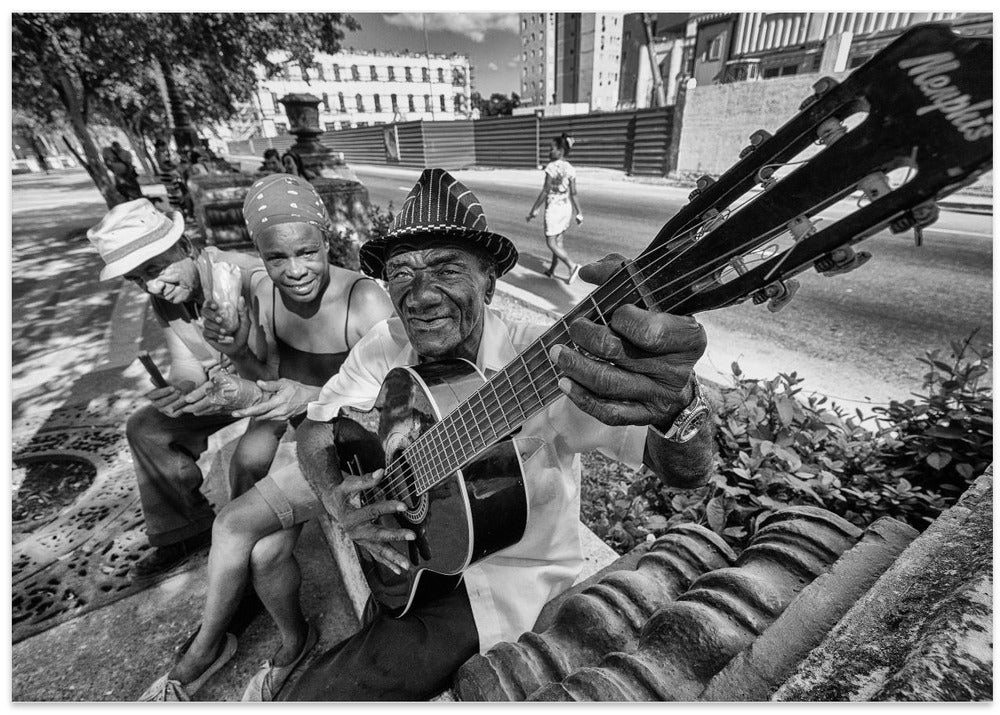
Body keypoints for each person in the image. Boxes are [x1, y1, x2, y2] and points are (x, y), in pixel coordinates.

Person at [280, 168, 715, 700]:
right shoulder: (384, 344)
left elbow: (686, 471)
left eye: (446, 268)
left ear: (489, 280)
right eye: (401, 273)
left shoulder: (548, 363)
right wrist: (335, 497)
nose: (420, 296)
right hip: (416, 562)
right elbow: (316, 427)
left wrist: (682, 407)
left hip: (501, 588)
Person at [138, 174, 394, 702]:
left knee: (233, 524)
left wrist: (306, 397)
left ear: (328, 241)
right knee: (264, 554)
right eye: (277, 258)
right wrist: (232, 359)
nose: (295, 270)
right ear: (260, 257)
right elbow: (265, 379)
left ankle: (204, 651)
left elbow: (396, 400)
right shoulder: (263, 292)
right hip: (302, 440)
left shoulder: (363, 299)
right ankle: (295, 642)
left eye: (308, 252)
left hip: (349, 448)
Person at [87, 199, 277, 580]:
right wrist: (181, 390)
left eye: (155, 269)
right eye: (138, 279)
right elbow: (188, 363)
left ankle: (249, 566)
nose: (152, 285)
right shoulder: (167, 298)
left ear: (187, 247)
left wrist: (222, 386)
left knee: (246, 463)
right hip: (226, 387)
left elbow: (271, 371)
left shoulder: (244, 278)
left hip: (271, 385)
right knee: (146, 427)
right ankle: (185, 531)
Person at [526, 133, 584, 284]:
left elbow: (545, 190)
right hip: (566, 208)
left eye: (551, 149)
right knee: (558, 241)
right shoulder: (571, 168)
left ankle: (572, 266)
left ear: (560, 150)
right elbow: (574, 193)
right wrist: (579, 213)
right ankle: (552, 270)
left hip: (553, 209)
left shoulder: (551, 167)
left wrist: (534, 209)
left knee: (551, 243)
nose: (549, 152)